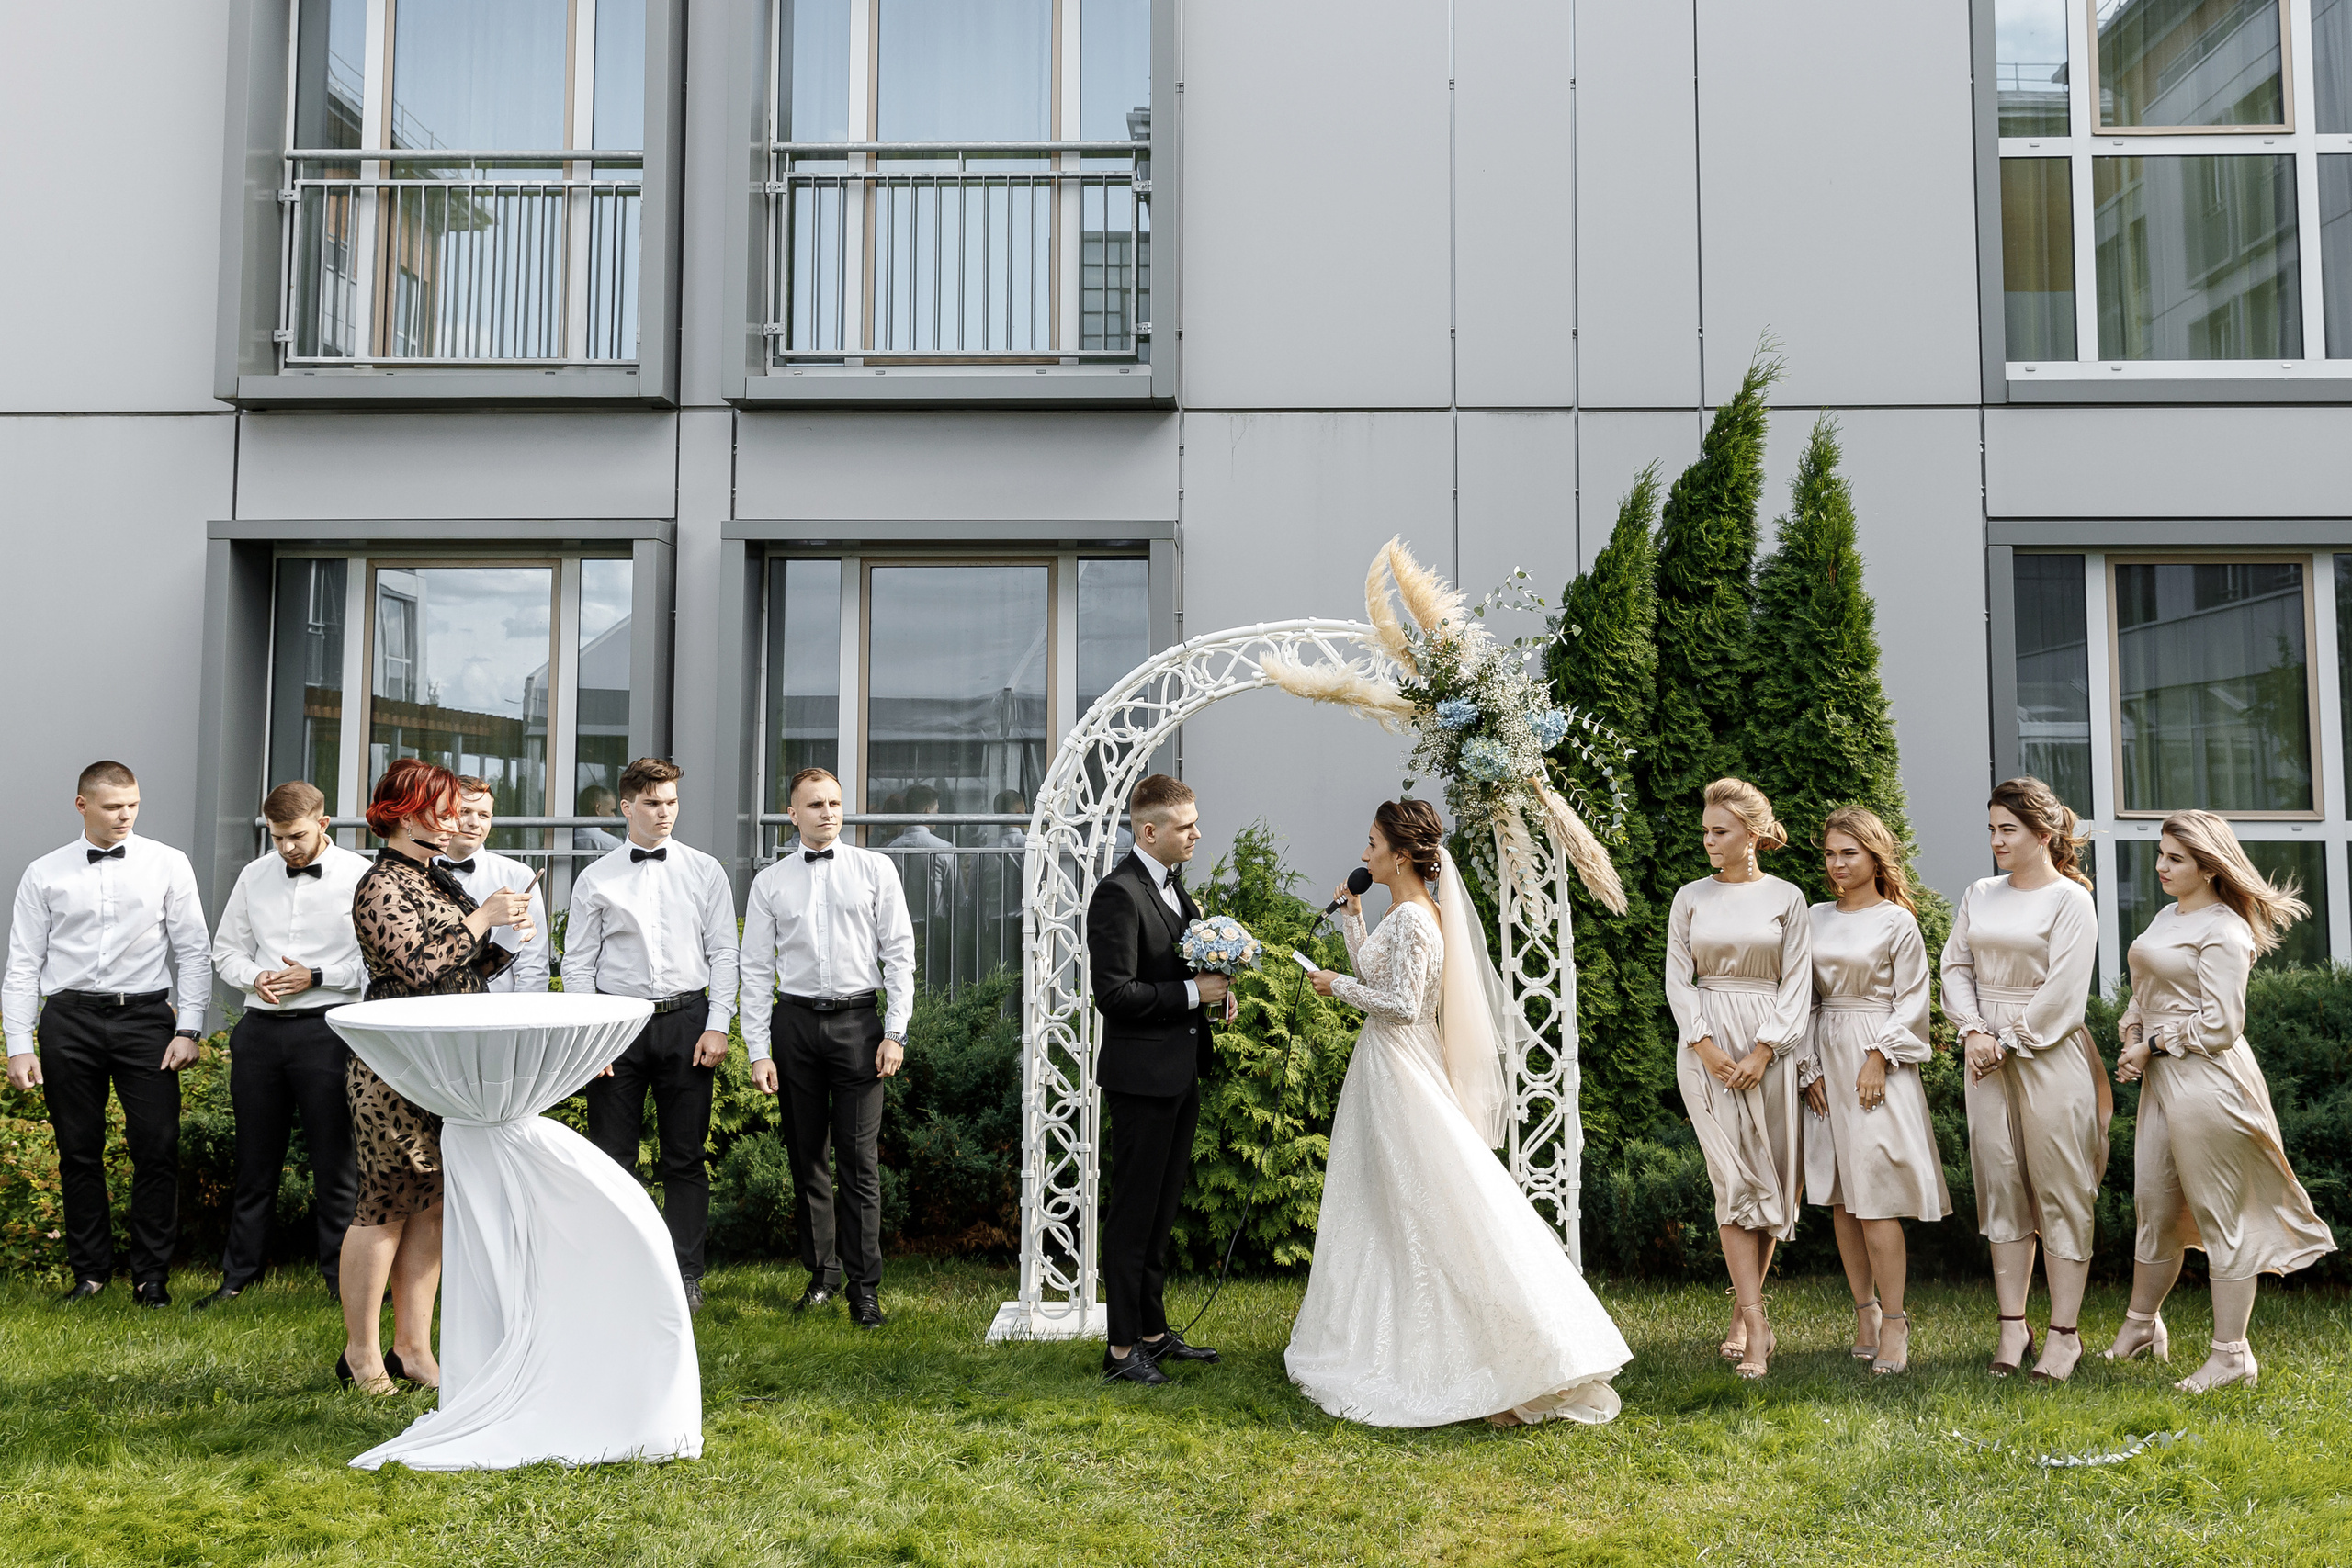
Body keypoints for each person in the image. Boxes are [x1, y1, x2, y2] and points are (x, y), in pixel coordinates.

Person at [1290, 799, 1628, 1427]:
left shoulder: (1419, 919)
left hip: (1402, 1068)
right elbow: (1377, 970)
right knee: (1389, 1205)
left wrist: (1336, 985)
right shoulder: (1403, 912)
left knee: (1432, 1203)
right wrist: (1354, 920)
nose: (1362, 854)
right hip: (1383, 1067)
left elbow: (1402, 1003)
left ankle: (1500, 1367)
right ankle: (1398, 1332)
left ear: (1397, 854)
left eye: (1371, 843)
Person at [2103, 810, 2335, 1393]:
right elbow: (2145, 992)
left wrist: (2153, 1043)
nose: (2160, 865)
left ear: (2208, 866)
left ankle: (2232, 1356)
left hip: (2210, 1084)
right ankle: (2141, 1326)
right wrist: (2134, 1036)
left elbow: (2222, 1025)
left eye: (2175, 858)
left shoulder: (2225, 930)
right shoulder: (2166, 914)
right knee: (2154, 1206)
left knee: (2224, 1215)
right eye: (2160, 853)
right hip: (2163, 1080)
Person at [345, 758, 536, 1394]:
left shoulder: (435, 879)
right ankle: (362, 1354)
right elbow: (418, 965)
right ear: (407, 812)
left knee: (432, 1202)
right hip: (393, 1066)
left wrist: (507, 932)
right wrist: (483, 918)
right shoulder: (380, 885)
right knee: (385, 1205)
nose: (454, 818)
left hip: (442, 1065)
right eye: (444, 806)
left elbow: (466, 962)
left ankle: (413, 1350)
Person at [4, 761, 211, 1306]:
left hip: (146, 1019)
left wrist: (189, 1026)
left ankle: (151, 1278)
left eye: (133, 805)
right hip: (67, 1018)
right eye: (113, 806)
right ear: (82, 806)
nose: (125, 816)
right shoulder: (43, 872)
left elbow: (193, 950)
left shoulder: (169, 863)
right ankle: (90, 1274)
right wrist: (19, 1043)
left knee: (157, 1147)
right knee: (78, 1150)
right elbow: (23, 963)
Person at [1941, 775, 2104, 1382]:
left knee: (2061, 1189)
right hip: (1983, 1057)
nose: (1996, 840)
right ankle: (2014, 1326)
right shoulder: (1978, 892)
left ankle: (2065, 1333)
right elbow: (1954, 965)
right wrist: (1973, 1031)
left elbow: (2064, 992)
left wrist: (2008, 1038)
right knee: (2001, 1185)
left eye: (2007, 830)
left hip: (2049, 1055)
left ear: (2043, 835)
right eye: (1991, 829)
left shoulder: (2070, 901)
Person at [741, 766, 915, 1327]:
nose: (828, 813)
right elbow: (754, 969)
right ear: (792, 814)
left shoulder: (875, 869)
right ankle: (822, 1276)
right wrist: (758, 1049)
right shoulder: (770, 882)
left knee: (860, 1164)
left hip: (859, 1026)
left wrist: (896, 1032)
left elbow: (900, 955)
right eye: (815, 805)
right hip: (793, 1026)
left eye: (835, 803)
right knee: (807, 1158)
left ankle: (865, 1290)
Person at [568, 757, 740, 1310]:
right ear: (626, 807)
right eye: (652, 803)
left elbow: (723, 952)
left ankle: (686, 1275)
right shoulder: (596, 877)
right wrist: (593, 1038)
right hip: (618, 1027)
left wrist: (718, 1024)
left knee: (683, 1158)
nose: (664, 813)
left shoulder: (705, 870)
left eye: (670, 802)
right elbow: (577, 965)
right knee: (613, 1157)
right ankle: (620, 1271)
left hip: (688, 1022)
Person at [1664, 777, 1813, 1379]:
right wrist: (1703, 1044)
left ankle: (1743, 1312)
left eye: (1719, 831)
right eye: (1705, 831)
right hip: (1705, 1045)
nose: (1708, 841)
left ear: (1751, 834)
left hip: (1768, 1047)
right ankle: (1756, 1325)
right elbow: (1678, 976)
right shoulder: (1689, 897)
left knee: (1769, 1182)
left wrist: (1764, 1049)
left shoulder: (1788, 898)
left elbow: (1799, 979)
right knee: (1732, 1181)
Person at [200, 781, 368, 1310]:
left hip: (330, 1030)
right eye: (277, 838)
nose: (287, 848)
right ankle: (237, 1278)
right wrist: (255, 978)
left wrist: (316, 976)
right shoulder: (254, 876)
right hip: (260, 1030)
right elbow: (224, 951)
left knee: (335, 1164)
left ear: (323, 822)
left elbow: (374, 963)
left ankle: (339, 1281)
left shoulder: (362, 877)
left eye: (295, 836)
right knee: (254, 1161)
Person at [1086, 774, 1230, 1385]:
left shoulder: (1176, 890)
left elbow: (1177, 971)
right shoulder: (1118, 894)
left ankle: (1151, 1333)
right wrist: (1189, 993)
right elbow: (1114, 994)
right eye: (1185, 824)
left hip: (1178, 1074)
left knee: (1161, 1211)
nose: (1197, 833)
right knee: (1133, 1215)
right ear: (1149, 830)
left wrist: (1212, 997)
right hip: (1141, 1079)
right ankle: (1121, 1351)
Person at [1797, 806, 1951, 1377]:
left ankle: (1894, 1319)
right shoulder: (1812, 917)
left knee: (1877, 1195)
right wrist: (1807, 1067)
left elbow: (1913, 999)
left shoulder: (1896, 922)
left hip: (1875, 1058)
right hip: (1823, 1052)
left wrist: (1878, 1058)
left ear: (1875, 856)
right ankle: (1862, 1311)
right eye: (1831, 854)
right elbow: (1799, 996)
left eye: (1849, 854)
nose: (1837, 865)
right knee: (1841, 1193)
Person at [436, 776, 550, 994]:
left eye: (483, 815)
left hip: (498, 1009)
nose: (474, 823)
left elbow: (533, 962)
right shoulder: (415, 874)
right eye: (464, 812)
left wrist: (520, 1021)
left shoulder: (517, 875)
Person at [574, 785, 624, 853]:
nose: (614, 817)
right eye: (612, 811)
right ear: (598, 809)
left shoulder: (570, 837)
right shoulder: (613, 845)